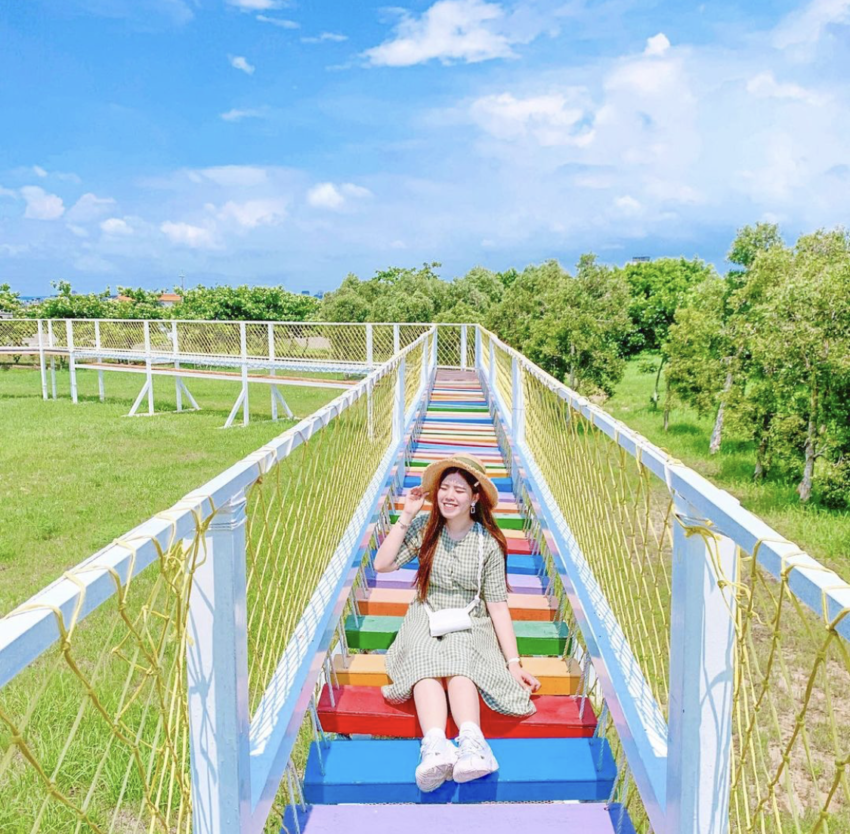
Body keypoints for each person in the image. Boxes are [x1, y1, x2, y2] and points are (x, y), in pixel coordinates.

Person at [373, 453, 540, 793]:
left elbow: (497, 606)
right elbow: (382, 564)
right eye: (444, 488)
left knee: (462, 662)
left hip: (469, 617)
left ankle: (472, 743)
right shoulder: (425, 530)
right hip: (427, 612)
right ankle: (435, 746)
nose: (449, 495)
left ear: (475, 498)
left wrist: (513, 663)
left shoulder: (489, 544)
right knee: (424, 661)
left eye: (459, 490)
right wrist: (407, 514)